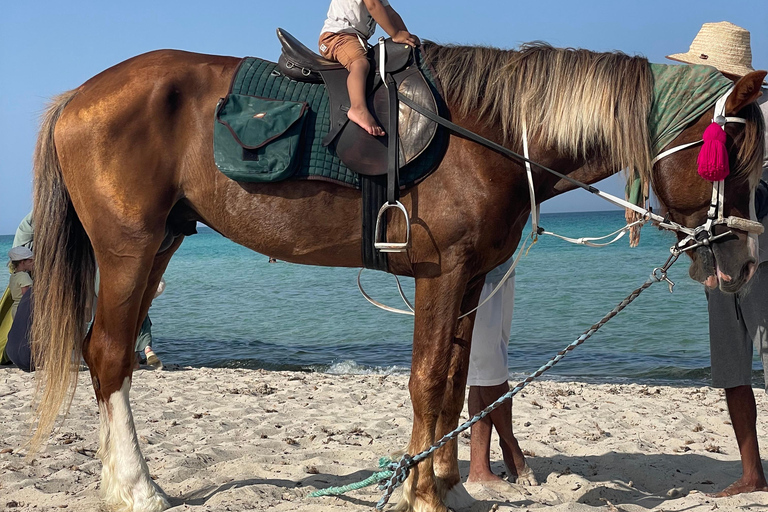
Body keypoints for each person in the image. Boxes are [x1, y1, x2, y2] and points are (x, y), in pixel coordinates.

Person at [668, 21, 768, 496]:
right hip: (720, 255)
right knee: (732, 369)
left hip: (761, 254)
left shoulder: (762, 111)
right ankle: (752, 473)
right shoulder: (704, 118)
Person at [466, 258, 537, 487]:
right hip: (474, 274)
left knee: (484, 370)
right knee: (489, 367)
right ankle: (511, 447)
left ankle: (479, 467)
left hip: (503, 267)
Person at [319, 0, 419, 136]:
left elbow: (390, 13)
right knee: (360, 63)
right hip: (337, 37)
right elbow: (373, 5)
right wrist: (395, 34)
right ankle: (357, 108)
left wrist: (406, 36)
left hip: (356, 39)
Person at [7, 246, 34, 320]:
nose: (33, 263)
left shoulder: (14, 275)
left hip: (15, 308)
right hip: (23, 309)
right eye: (30, 261)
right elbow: (26, 296)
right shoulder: (24, 276)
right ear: (22, 262)